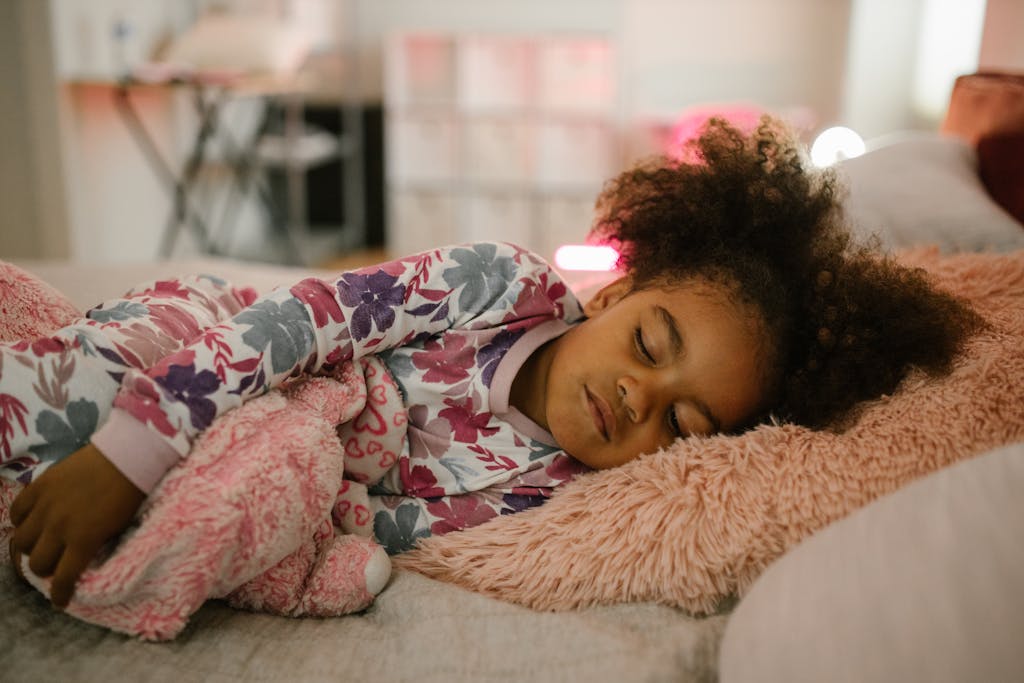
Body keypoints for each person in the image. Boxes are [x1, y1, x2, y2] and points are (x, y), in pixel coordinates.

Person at [3, 116, 982, 609]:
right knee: (63, 405)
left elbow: (385, 517)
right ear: (611, 295)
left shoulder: (546, 487)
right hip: (226, 351)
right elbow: (305, 317)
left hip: (280, 443)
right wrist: (133, 448)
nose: (640, 397)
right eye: (649, 342)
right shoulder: (497, 285)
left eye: (681, 421)